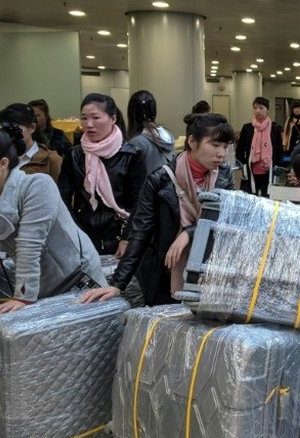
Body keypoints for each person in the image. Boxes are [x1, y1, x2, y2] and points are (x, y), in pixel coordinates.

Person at [80, 113, 235, 307]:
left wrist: (190, 233)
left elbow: (227, 221)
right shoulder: (160, 180)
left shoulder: (223, 176)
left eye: (225, 146)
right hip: (165, 275)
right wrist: (118, 284)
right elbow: (140, 232)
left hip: (210, 273)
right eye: (215, 145)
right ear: (192, 142)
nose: (221, 153)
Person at [0, 126, 106, 314]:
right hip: (41, 283)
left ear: (3, 164)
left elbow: (29, 244)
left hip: (77, 276)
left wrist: (22, 296)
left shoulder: (37, 185)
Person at [58, 93, 146, 256]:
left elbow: (139, 202)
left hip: (120, 235)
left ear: (113, 119)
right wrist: (75, 233)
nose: (89, 124)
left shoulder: (131, 155)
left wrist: (127, 238)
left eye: (96, 118)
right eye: (84, 118)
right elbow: (62, 198)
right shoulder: (74, 155)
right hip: (83, 235)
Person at [0, 103, 62, 181]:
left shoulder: (52, 160)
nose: (9, 132)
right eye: (6, 127)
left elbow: (62, 191)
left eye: (15, 126)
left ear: (32, 128)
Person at [236, 97, 284, 197]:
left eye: (261, 108)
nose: (258, 110)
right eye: (255, 108)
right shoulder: (247, 128)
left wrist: (277, 165)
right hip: (251, 170)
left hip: (268, 170)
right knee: (249, 199)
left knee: (267, 199)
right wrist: (243, 164)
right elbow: (240, 149)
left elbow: (279, 150)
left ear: (267, 110)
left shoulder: (275, 129)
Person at [126, 90, 175, 174]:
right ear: (154, 111)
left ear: (131, 113)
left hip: (147, 186)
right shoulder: (166, 135)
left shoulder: (136, 143)